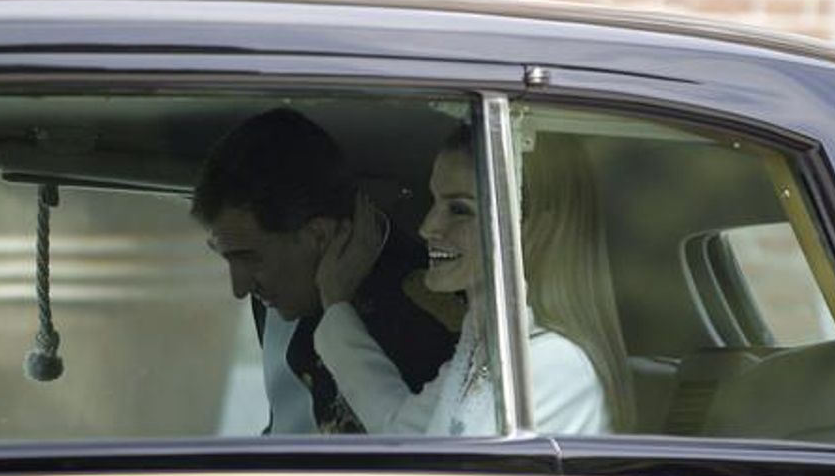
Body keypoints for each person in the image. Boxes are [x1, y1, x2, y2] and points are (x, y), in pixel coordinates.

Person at [314, 124, 634, 435]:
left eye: (459, 209)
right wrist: (335, 302)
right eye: (435, 202)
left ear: (532, 228)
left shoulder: (552, 365)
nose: (428, 227)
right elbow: (400, 428)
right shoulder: (480, 350)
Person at [191, 108, 456, 434]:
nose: (240, 287)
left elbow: (409, 449)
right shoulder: (274, 294)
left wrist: (336, 309)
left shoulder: (424, 311)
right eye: (228, 258)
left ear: (318, 235)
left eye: (250, 258)